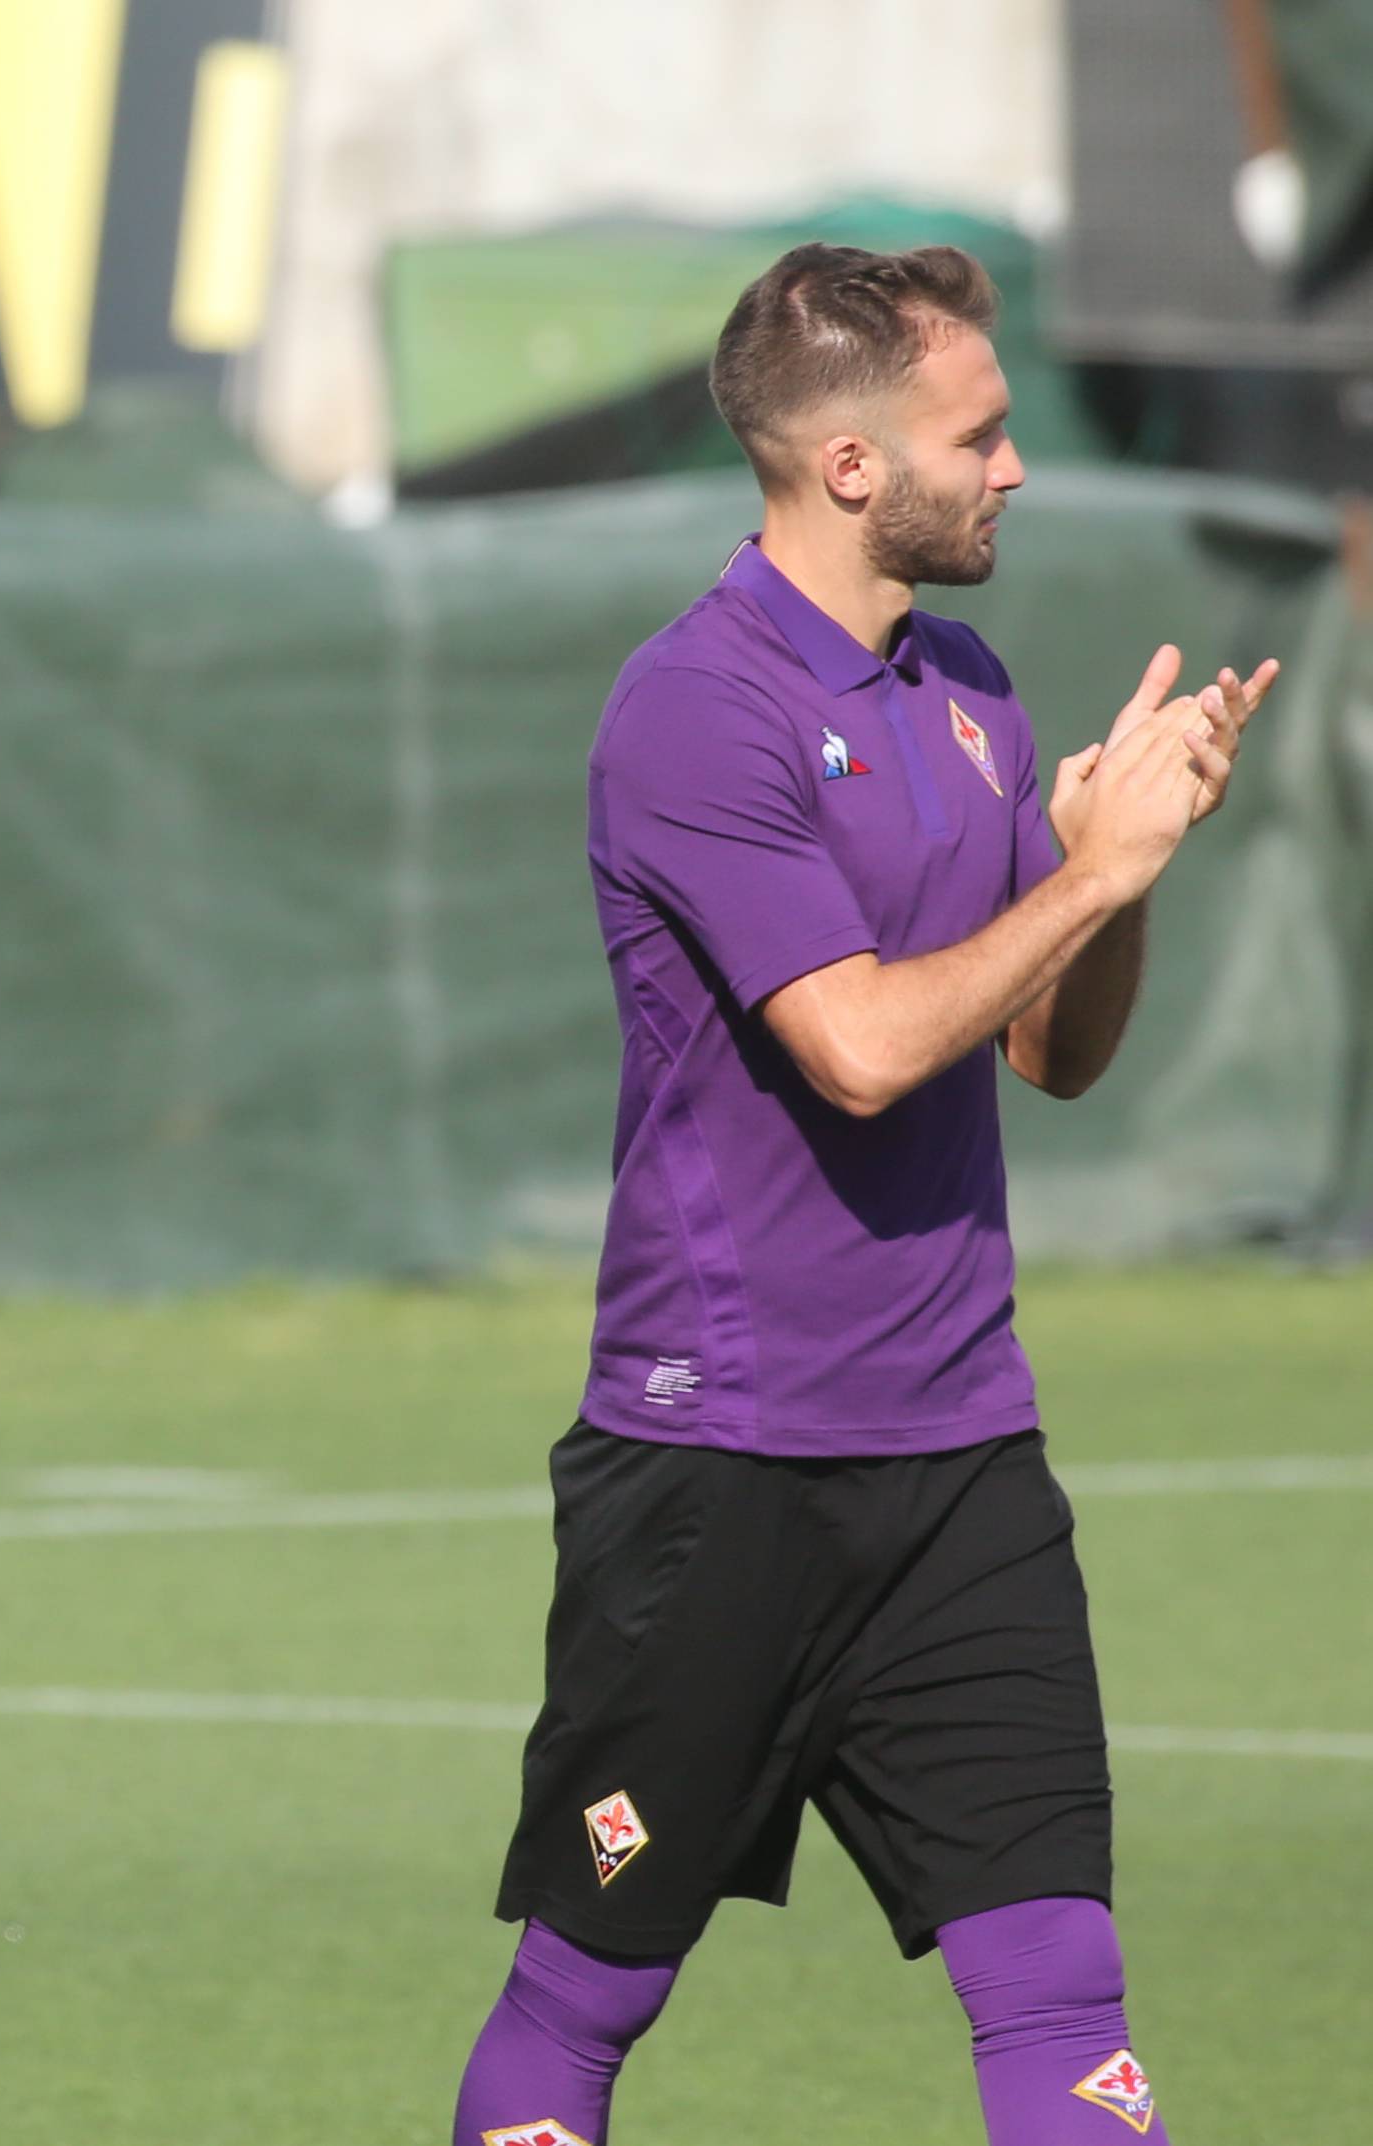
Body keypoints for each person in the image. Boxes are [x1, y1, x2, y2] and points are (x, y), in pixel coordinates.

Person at [450, 242, 1273, 2146]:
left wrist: (1111, 876)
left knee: (1064, 1983)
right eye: (977, 434)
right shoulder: (694, 711)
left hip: (965, 1455)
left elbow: (1044, 1054)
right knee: (587, 1989)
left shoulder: (967, 687)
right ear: (844, 465)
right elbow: (865, 1047)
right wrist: (1088, 874)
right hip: (718, 1466)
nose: (1012, 467)